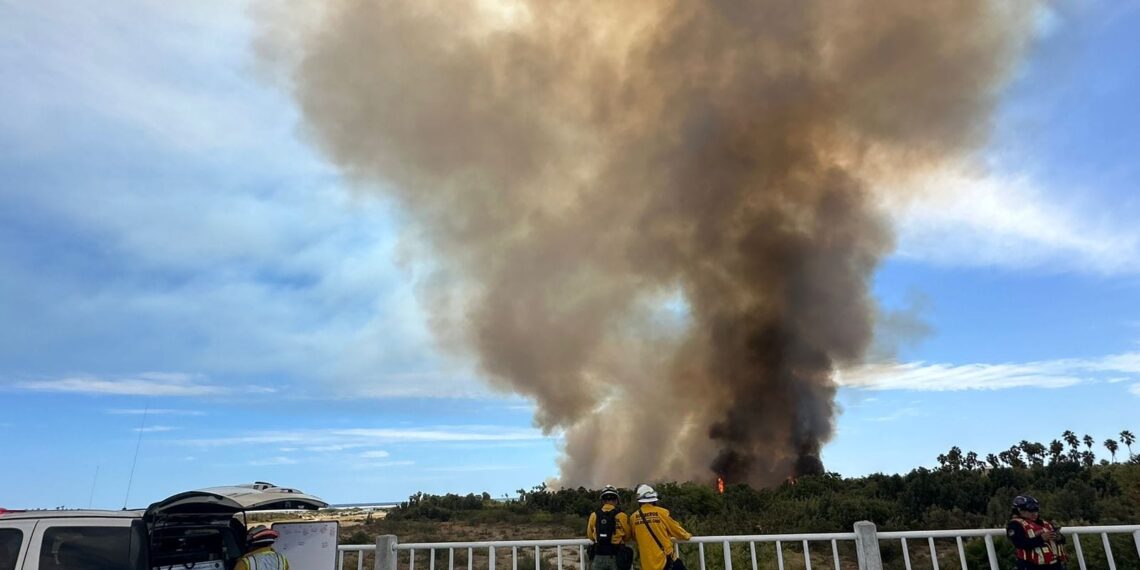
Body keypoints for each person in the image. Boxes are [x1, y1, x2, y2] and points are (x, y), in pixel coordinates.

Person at [629, 484, 691, 570]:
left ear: (639, 501)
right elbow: (676, 530)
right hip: (666, 561)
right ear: (654, 500)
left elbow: (634, 537)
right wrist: (687, 535)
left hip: (647, 565)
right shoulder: (662, 513)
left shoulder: (633, 517)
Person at [1006, 495, 1067, 569]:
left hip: (1054, 564)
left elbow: (1063, 540)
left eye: (1036, 510)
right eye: (1030, 510)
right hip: (1031, 565)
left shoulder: (1045, 523)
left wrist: (1058, 537)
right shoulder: (1015, 525)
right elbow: (1020, 544)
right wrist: (1041, 538)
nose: (1034, 514)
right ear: (1020, 510)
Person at [587, 485, 632, 570]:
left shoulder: (594, 515)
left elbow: (590, 536)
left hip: (598, 555)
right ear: (616, 500)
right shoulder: (622, 516)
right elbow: (628, 536)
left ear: (602, 501)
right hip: (616, 556)